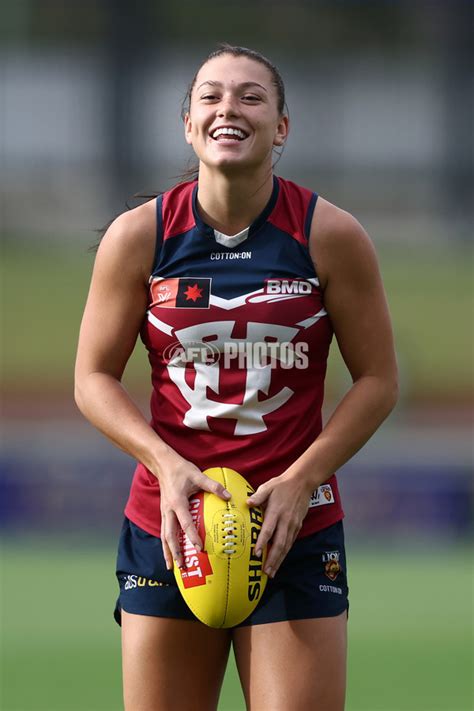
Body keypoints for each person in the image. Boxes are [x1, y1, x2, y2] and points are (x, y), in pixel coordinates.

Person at [75, 43, 398, 711]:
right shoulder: (142, 236)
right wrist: (163, 464)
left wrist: (302, 478)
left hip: (293, 530)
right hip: (173, 527)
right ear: (187, 122)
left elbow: (377, 380)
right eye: (212, 96)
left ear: (281, 128)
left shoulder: (330, 235)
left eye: (251, 96)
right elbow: (92, 378)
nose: (230, 107)